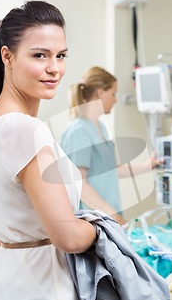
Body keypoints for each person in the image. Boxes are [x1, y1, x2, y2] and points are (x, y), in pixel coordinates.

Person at [0, 1, 96, 300]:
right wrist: (103, 229)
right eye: (40, 55)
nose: (55, 68)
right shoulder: (23, 129)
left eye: (60, 55)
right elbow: (69, 238)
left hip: (10, 286)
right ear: (8, 56)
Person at [60, 66, 161, 225]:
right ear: (100, 92)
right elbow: (80, 185)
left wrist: (149, 165)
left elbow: (111, 170)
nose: (115, 99)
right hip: (91, 220)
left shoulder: (99, 128)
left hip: (106, 217)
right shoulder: (78, 132)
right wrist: (113, 215)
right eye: (113, 93)